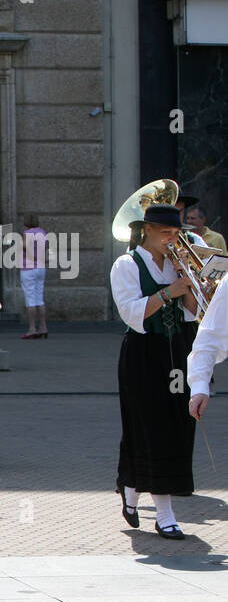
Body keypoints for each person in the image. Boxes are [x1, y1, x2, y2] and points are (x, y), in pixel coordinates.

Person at [111, 203, 198, 539]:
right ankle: (165, 514)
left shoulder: (178, 263)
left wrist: (189, 280)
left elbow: (193, 312)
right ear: (146, 230)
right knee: (148, 426)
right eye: (166, 233)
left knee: (177, 424)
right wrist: (168, 291)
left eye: (176, 233)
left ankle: (130, 487)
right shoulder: (126, 264)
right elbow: (131, 313)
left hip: (178, 348)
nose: (172, 239)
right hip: (144, 353)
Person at [21, 213, 49, 338]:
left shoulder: (27, 234)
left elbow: (25, 248)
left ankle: (32, 328)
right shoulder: (42, 232)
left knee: (30, 299)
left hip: (28, 268)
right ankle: (43, 326)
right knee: (39, 298)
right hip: (41, 268)